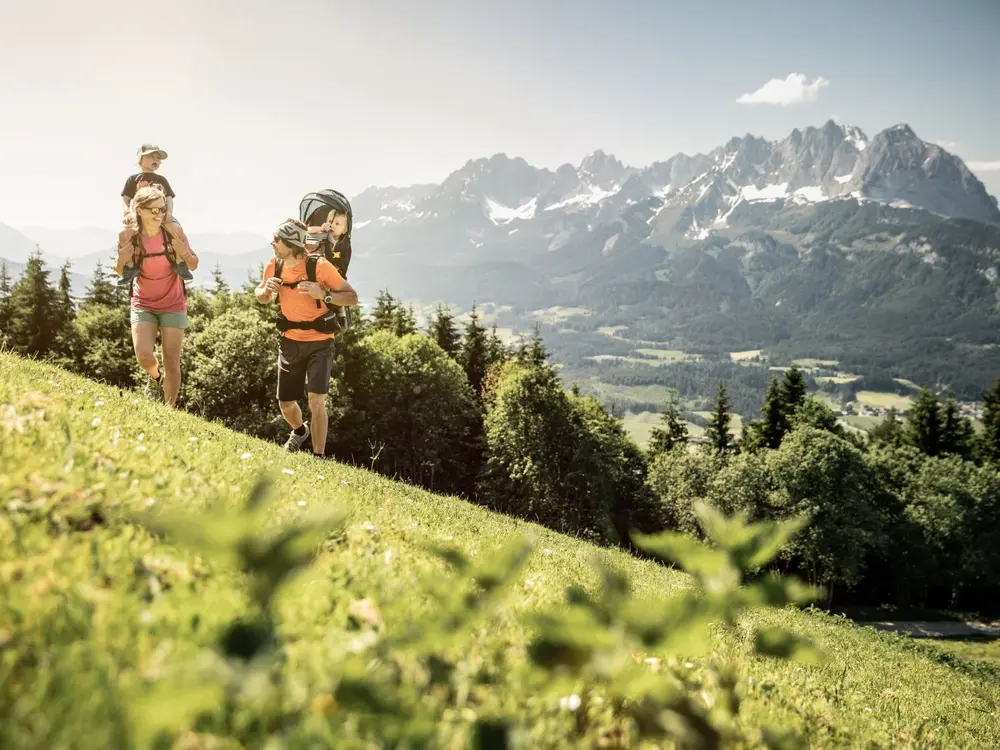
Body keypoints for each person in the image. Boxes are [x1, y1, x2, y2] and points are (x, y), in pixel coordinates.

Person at [255, 218, 358, 455]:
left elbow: (351, 297)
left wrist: (324, 294)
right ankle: (300, 431)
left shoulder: (319, 267)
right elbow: (260, 295)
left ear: (291, 245)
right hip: (289, 341)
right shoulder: (274, 265)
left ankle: (318, 455)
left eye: (277, 239)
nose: (273, 242)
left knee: (315, 399)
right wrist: (265, 290)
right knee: (286, 403)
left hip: (321, 341)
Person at [113, 184, 200, 405]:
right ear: (139, 210)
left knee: (171, 360)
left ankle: (168, 409)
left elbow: (193, 263)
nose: (160, 214)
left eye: (163, 209)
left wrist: (184, 252)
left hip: (173, 302)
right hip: (143, 301)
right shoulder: (127, 235)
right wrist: (122, 258)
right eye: (154, 210)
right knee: (143, 355)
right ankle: (155, 378)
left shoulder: (173, 231)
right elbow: (119, 269)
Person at [118, 143, 194, 287]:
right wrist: (127, 211)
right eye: (152, 156)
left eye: (158, 158)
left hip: (160, 215)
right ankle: (129, 266)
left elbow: (169, 198)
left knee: (176, 229)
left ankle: (179, 262)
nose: (156, 160)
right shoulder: (133, 179)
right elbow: (125, 198)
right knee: (124, 234)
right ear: (140, 159)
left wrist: (169, 212)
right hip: (139, 216)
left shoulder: (162, 180)